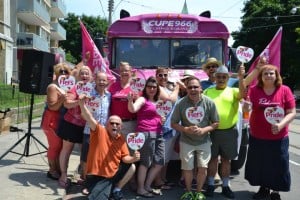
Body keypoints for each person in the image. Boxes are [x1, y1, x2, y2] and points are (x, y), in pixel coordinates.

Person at [243, 64, 296, 200]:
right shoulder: (254, 90)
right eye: (265, 73)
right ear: (261, 76)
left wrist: (281, 124)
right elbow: (247, 110)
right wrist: (246, 108)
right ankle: (264, 188)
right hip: (257, 135)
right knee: (260, 163)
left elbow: (291, 112)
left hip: (279, 136)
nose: (268, 76)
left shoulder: (285, 90)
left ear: (276, 75)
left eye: (271, 73)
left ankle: (276, 191)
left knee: (279, 164)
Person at [78, 96, 140, 200]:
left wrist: (133, 158)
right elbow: (89, 117)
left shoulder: (121, 139)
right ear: (107, 125)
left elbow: (125, 158)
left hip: (112, 174)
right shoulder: (99, 131)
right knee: (98, 197)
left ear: (121, 127)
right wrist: (81, 104)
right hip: (96, 175)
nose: (114, 125)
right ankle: (108, 190)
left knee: (132, 166)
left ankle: (116, 189)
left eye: (117, 124)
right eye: (112, 123)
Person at [171, 76, 219, 200]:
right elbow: (173, 123)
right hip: (186, 141)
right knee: (187, 168)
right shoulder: (181, 103)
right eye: (190, 87)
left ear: (200, 88)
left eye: (195, 87)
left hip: (204, 140)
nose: (193, 89)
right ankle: (188, 192)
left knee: (202, 168)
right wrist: (185, 129)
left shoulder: (209, 102)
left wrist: (203, 130)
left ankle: (198, 192)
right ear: (186, 89)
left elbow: (216, 123)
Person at [203, 65, 245, 199]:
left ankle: (225, 186)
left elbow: (243, 94)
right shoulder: (208, 92)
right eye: (219, 76)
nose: (221, 79)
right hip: (212, 132)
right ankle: (210, 185)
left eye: (224, 77)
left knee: (226, 160)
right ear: (214, 77)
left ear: (227, 78)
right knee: (212, 160)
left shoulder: (233, 91)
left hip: (229, 132)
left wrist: (241, 77)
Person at [128, 76, 166, 198]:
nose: (152, 89)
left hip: (159, 133)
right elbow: (133, 109)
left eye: (154, 87)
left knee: (160, 161)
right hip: (146, 133)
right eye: (149, 86)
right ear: (145, 88)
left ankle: (147, 185)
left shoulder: (158, 101)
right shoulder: (142, 100)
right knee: (145, 162)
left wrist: (162, 119)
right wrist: (130, 101)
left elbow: (159, 115)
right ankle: (140, 189)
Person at [57, 65, 93, 188]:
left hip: (87, 125)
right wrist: (80, 101)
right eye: (82, 73)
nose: (84, 76)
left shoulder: (93, 88)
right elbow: (67, 104)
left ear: (90, 76)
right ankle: (63, 175)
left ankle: (84, 176)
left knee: (85, 153)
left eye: (87, 73)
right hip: (71, 124)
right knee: (67, 150)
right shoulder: (74, 88)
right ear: (78, 76)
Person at [80, 72, 111, 195]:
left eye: (104, 80)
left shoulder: (109, 95)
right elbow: (83, 114)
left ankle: (96, 183)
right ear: (95, 80)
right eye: (100, 80)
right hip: (90, 131)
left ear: (107, 82)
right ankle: (87, 182)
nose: (102, 82)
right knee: (87, 159)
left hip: (104, 133)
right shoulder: (88, 95)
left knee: (100, 159)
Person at [41, 63, 70, 180]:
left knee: (59, 147)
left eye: (66, 71)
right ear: (56, 73)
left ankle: (57, 169)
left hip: (61, 120)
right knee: (54, 146)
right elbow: (52, 107)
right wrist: (62, 99)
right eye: (61, 71)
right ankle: (52, 170)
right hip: (51, 120)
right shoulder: (53, 87)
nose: (63, 73)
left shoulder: (66, 86)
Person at [154, 67, 179, 190]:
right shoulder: (157, 88)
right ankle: (157, 181)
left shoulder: (168, 87)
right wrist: (178, 87)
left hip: (170, 126)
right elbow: (170, 100)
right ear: (156, 76)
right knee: (160, 156)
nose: (163, 77)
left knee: (167, 157)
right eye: (160, 75)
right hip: (161, 126)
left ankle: (163, 179)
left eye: (165, 75)